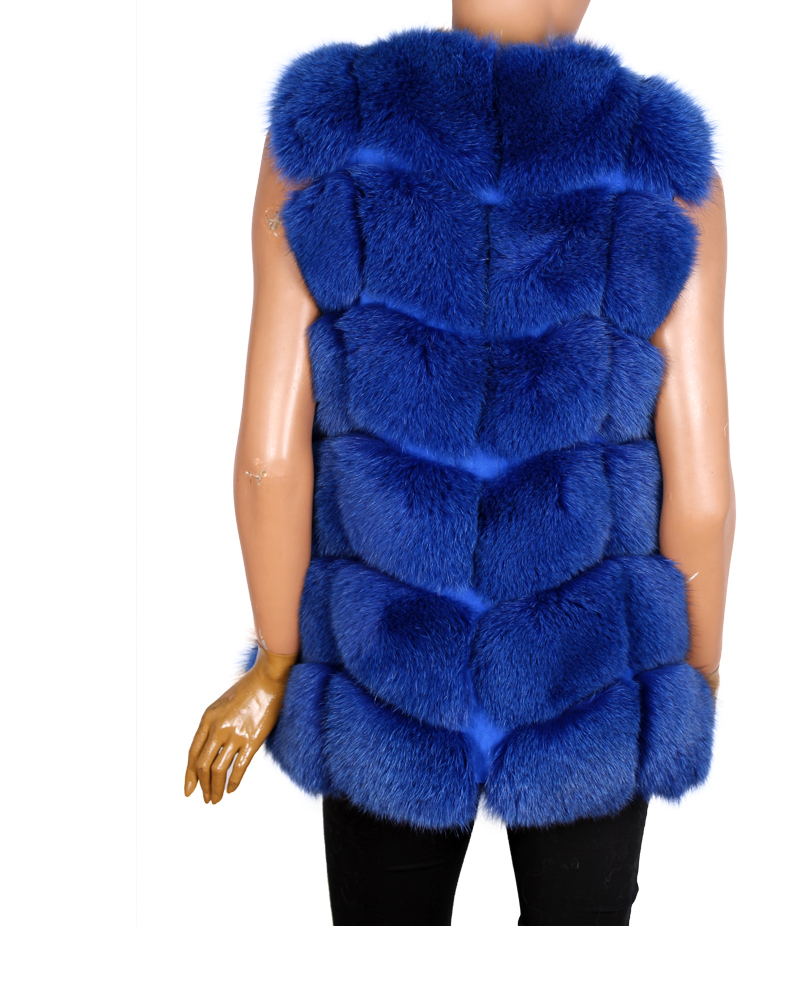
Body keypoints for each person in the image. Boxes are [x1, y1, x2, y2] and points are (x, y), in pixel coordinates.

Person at [185, 0, 735, 926]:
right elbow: (704, 495)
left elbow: (267, 461)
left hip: (386, 671)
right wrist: (694, 682)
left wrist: (274, 662)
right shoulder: (660, 164)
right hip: (588, 675)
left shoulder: (330, 134)